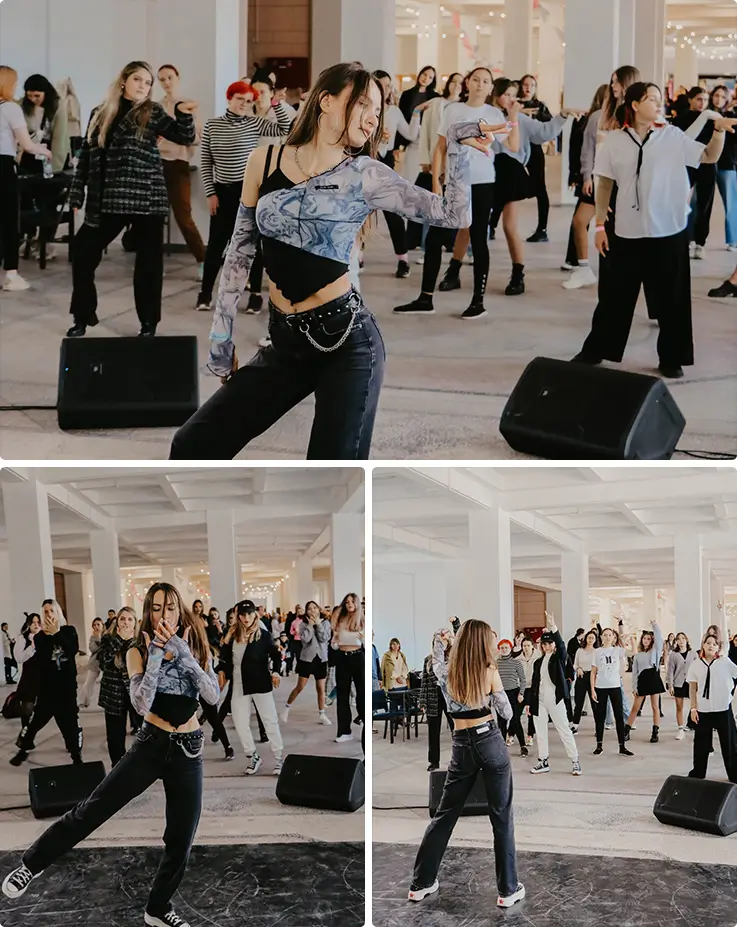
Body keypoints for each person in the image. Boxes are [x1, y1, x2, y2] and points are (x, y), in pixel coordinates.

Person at [170, 62, 498, 460]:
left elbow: (454, 216)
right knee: (193, 444)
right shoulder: (265, 159)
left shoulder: (367, 175)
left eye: (378, 110)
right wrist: (221, 339)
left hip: (348, 343)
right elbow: (240, 251)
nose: (372, 117)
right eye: (362, 103)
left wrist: (459, 148)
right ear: (325, 101)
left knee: (330, 479)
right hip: (283, 342)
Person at [2, 583, 219, 927]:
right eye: (158, 608)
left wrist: (185, 655)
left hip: (189, 748)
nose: (165, 615)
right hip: (151, 743)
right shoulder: (137, 649)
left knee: (181, 835)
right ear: (149, 611)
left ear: (180, 610)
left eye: (171, 607)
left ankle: (158, 908)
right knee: (94, 808)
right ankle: (32, 864)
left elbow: (212, 695)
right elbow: (141, 702)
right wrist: (159, 657)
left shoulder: (196, 643)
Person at [573, 81, 734, 379]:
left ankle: (671, 357)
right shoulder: (614, 141)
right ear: (634, 105)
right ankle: (596, 349)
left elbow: (708, 156)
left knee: (672, 298)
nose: (659, 104)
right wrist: (598, 225)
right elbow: (604, 183)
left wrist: (719, 130)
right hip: (626, 231)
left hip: (668, 231)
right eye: (652, 99)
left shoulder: (672, 136)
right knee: (613, 297)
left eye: (660, 100)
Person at [66, 60, 197, 338]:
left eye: (148, 83)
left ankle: (148, 324)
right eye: (138, 79)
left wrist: (184, 115)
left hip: (146, 197)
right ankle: (82, 314)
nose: (144, 86)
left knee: (149, 265)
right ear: (124, 80)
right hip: (108, 198)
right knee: (82, 254)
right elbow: (87, 157)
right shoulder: (100, 113)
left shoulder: (153, 112)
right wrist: (77, 192)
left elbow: (184, 136)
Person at [408, 619, 523, 908]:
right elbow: (507, 712)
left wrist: (438, 642)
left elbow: (435, 663)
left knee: (445, 814)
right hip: (490, 740)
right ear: (485, 643)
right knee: (501, 816)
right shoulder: (490, 671)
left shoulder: (447, 671)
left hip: (461, 745)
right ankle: (507, 890)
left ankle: (420, 884)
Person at [393, 67, 519, 319]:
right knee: (435, 238)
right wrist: (438, 183)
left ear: (490, 87)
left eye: (486, 81)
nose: (480, 84)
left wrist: (513, 118)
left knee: (478, 238)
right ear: (468, 83)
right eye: (476, 79)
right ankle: (425, 298)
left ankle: (477, 302)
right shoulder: (452, 110)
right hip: (454, 183)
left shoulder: (494, 113)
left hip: (482, 183)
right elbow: (440, 148)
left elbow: (513, 145)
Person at [195, 79, 292, 313]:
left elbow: (284, 128)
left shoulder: (254, 123)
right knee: (217, 244)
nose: (244, 104)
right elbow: (206, 162)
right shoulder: (212, 125)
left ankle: (256, 295)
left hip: (247, 190)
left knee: (253, 245)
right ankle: (205, 294)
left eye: (249, 101)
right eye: (240, 99)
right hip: (222, 191)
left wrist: (276, 103)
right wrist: (210, 193)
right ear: (229, 98)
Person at [488, 78, 573, 297]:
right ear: (496, 94)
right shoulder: (486, 115)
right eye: (506, 94)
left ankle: (518, 274)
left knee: (509, 227)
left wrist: (562, 116)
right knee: (470, 225)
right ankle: (456, 267)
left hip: (509, 173)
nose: (510, 99)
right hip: (484, 172)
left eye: (513, 94)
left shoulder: (521, 120)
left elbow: (544, 132)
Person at [10, 600, 82, 767]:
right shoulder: (40, 638)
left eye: (51, 611)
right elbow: (42, 660)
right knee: (35, 722)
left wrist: (57, 633)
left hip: (66, 689)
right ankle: (23, 750)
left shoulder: (69, 631)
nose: (49, 614)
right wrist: (48, 635)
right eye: (46, 612)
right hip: (47, 690)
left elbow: (71, 650)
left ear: (58, 613)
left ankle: (76, 756)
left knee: (70, 724)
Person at [0, 65, 52, 292]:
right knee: (10, 221)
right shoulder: (11, 108)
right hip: (3, 167)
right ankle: (11, 275)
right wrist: (44, 151)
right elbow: (27, 145)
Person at [218, 599, 284, 775]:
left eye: (249, 613)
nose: (246, 618)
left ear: (255, 614)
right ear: (237, 615)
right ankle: (252, 755)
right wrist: (222, 671)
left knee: (270, 721)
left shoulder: (263, 635)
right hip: (239, 685)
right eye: (242, 614)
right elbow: (224, 657)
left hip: (260, 683)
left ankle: (279, 757)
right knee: (240, 723)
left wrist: (276, 672)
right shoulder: (231, 634)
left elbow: (276, 656)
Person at [156, 64, 206, 280]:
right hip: (156, 164)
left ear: (177, 77)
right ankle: (153, 264)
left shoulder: (188, 105)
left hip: (178, 164)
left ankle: (204, 261)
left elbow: (196, 136)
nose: (166, 82)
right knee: (153, 217)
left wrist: (174, 135)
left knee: (183, 217)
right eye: (162, 79)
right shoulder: (156, 107)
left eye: (169, 78)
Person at [373, 70, 424, 279]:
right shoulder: (362, 109)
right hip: (364, 162)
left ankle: (403, 260)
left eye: (387, 85)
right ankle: (356, 257)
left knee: (393, 214)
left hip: (385, 164)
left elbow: (410, 134)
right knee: (360, 214)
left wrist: (416, 113)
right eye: (380, 85)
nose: (385, 89)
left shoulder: (393, 111)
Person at [561, 83, 609, 289]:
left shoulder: (626, 117)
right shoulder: (596, 117)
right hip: (596, 180)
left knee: (613, 228)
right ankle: (583, 268)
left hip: (614, 182)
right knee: (579, 221)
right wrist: (585, 176)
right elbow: (586, 149)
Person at [528, 613, 581, 775]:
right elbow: (534, 683)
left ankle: (575, 761)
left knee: (564, 729)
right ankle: (543, 761)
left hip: (555, 699)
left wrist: (553, 626)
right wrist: (530, 703)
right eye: (544, 643)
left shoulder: (559, 657)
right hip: (540, 701)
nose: (547, 646)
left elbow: (562, 646)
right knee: (541, 732)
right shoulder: (538, 662)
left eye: (549, 643)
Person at [673, 87, 717, 259]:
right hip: (686, 165)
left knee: (705, 204)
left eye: (705, 100)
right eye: (699, 99)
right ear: (690, 99)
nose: (702, 103)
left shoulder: (712, 119)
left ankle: (700, 242)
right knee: (681, 201)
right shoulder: (680, 119)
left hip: (706, 165)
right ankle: (685, 238)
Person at [687, 632, 737, 783]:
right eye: (708, 642)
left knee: (729, 743)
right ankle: (698, 772)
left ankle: (734, 773)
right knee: (701, 743)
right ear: (703, 645)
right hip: (703, 709)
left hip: (722, 708)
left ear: (718, 648)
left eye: (714, 644)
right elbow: (692, 687)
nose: (711, 646)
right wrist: (693, 708)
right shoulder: (696, 664)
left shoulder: (724, 662)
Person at [280, 600, 332, 726]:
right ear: (306, 611)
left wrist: (318, 625)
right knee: (300, 687)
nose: (312, 610)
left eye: (314, 608)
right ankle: (286, 708)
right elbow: (305, 640)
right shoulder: (303, 624)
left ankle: (322, 713)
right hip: (307, 659)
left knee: (320, 688)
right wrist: (309, 625)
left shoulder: (325, 623)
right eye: (309, 608)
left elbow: (324, 638)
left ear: (319, 609)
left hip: (320, 659)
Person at [98, 607, 138, 766]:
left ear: (135, 623)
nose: (126, 623)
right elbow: (103, 663)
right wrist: (119, 639)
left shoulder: (140, 641)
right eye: (122, 619)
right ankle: (118, 769)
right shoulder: (108, 639)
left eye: (130, 619)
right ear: (117, 622)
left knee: (146, 735)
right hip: (113, 696)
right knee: (115, 739)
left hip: (136, 694)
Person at [517, 74, 553, 243]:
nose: (528, 87)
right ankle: (492, 225)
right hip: (514, 148)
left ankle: (542, 229)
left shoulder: (540, 107)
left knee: (540, 188)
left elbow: (549, 126)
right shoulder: (514, 104)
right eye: (525, 84)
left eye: (532, 84)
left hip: (534, 149)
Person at [590, 625, 632, 756]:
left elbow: (633, 653)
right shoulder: (597, 652)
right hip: (600, 686)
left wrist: (632, 640)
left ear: (613, 637)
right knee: (600, 717)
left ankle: (622, 746)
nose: (607, 637)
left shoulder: (617, 650)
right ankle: (599, 745)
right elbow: (593, 672)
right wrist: (592, 689)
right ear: (601, 637)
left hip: (615, 686)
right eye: (605, 635)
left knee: (618, 716)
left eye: (610, 635)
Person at [396, 65, 439, 188]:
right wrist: (398, 144)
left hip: (427, 138)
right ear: (420, 74)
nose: (426, 78)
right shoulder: (407, 94)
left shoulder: (434, 97)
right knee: (409, 174)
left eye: (430, 77)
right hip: (410, 137)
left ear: (433, 81)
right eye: (425, 74)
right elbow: (402, 118)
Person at [331, 592, 364, 744]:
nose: (350, 604)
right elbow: (334, 643)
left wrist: (364, 639)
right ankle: (344, 730)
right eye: (347, 602)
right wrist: (335, 643)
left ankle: (364, 722)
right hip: (343, 658)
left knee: (362, 694)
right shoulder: (340, 619)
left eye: (352, 601)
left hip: (358, 658)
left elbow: (367, 642)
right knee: (342, 696)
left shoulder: (362, 620)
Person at [624, 619, 664, 743]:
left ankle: (655, 732)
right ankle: (626, 730)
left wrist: (654, 625)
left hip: (653, 678)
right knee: (635, 707)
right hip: (642, 680)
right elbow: (635, 673)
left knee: (655, 706)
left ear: (651, 640)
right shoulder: (638, 655)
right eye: (644, 639)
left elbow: (660, 639)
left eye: (648, 639)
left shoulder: (655, 651)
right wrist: (634, 687)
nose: (646, 641)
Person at [20, 74, 70, 174]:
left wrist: (55, 167)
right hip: (29, 154)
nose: (33, 99)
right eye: (29, 95)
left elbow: (59, 138)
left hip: (49, 153)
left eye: (37, 96)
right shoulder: (23, 105)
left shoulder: (58, 106)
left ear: (45, 93)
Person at [420, 630, 455, 771]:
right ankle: (434, 761)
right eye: (436, 642)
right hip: (433, 698)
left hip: (449, 698)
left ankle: (457, 760)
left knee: (456, 730)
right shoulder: (428, 660)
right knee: (433, 732)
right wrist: (422, 701)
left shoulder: (452, 659)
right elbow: (424, 682)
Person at [709, 84, 737, 253]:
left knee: (731, 202)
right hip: (706, 164)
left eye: (722, 96)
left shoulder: (732, 117)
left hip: (727, 164)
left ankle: (733, 239)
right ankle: (694, 239)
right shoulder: (706, 116)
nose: (719, 99)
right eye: (716, 95)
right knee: (698, 202)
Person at [496, 638, 528, 756]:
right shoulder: (496, 663)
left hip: (514, 693)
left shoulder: (516, 662)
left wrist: (521, 693)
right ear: (499, 649)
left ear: (510, 648)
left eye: (506, 647)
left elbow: (523, 679)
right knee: (502, 722)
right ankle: (502, 747)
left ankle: (523, 746)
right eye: (502, 648)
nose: (504, 650)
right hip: (500, 694)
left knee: (515, 720)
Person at [13, 613, 42, 728]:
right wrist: (32, 647)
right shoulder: (23, 638)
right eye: (33, 622)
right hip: (29, 677)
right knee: (27, 708)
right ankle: (25, 732)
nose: (36, 625)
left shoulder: (44, 637)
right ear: (28, 624)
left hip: (43, 676)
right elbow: (19, 658)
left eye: (38, 622)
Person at [667, 631, 697, 740]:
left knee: (696, 705)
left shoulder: (693, 653)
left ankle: (695, 724)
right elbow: (670, 671)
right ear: (676, 641)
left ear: (686, 640)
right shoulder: (673, 655)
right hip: (678, 683)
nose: (681, 641)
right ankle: (680, 729)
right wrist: (670, 685)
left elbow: (698, 668)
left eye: (683, 638)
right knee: (679, 707)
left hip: (691, 683)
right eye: (678, 639)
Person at [571, 629, 599, 731]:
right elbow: (575, 664)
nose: (591, 639)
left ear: (595, 640)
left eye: (593, 638)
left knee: (595, 704)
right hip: (581, 677)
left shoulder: (597, 651)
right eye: (589, 637)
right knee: (579, 702)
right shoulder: (580, 650)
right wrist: (578, 669)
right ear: (585, 638)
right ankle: (575, 725)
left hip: (593, 678)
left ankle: (598, 726)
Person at [80, 617, 104, 707]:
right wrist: (98, 639)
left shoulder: (106, 635)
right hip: (94, 663)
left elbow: (106, 647)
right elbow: (92, 648)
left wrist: (100, 642)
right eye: (94, 625)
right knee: (88, 683)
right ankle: (84, 701)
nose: (96, 627)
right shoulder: (92, 637)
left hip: (105, 663)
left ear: (102, 625)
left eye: (98, 624)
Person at [56, 77, 83, 157]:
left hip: (73, 132)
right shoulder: (61, 100)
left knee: (75, 154)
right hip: (65, 132)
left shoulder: (71, 99)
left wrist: (62, 116)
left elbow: (75, 116)